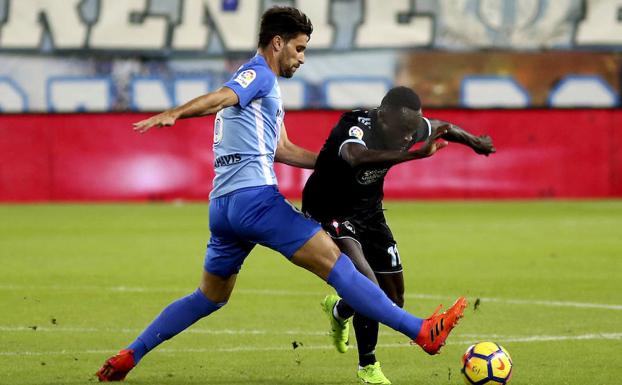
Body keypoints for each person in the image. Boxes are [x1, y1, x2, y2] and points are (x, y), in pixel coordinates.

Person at [95, 7, 467, 382]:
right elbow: (221, 98)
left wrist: (336, 164)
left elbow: (282, 149)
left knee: (209, 297)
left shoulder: (260, 88)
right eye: (300, 48)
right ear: (278, 43)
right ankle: (421, 332)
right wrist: (176, 113)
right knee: (341, 266)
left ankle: (131, 354)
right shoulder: (258, 75)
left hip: (223, 209)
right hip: (256, 201)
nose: (302, 58)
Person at [302, 86, 496, 384]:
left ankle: (340, 309)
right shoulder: (354, 126)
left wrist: (475, 142)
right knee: (368, 283)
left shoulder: (408, 126)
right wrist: (416, 155)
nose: (409, 135)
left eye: (413, 129)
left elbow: (444, 127)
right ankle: (368, 366)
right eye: (404, 129)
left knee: (394, 297)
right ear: (382, 117)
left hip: (369, 212)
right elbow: (357, 157)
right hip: (330, 210)